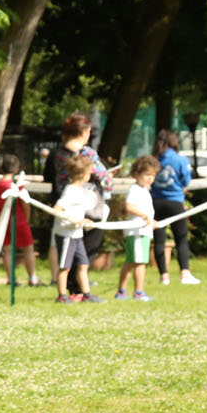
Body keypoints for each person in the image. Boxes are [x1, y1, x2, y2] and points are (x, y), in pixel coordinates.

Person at [41, 113, 110, 269]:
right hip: (88, 210)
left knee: (63, 249)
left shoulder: (55, 154)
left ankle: (64, 281)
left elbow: (48, 178)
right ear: (83, 132)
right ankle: (77, 283)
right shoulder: (88, 155)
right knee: (83, 255)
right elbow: (105, 179)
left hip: (64, 211)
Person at [51, 153, 104, 303]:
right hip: (66, 235)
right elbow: (57, 210)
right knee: (65, 267)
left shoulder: (80, 190)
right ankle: (62, 295)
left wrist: (83, 221)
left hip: (77, 234)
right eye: (89, 172)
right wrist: (74, 221)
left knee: (83, 264)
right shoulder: (70, 191)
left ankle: (86, 294)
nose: (90, 175)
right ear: (82, 174)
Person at [151, 128, 198, 285]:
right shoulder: (180, 159)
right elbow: (186, 181)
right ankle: (185, 273)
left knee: (159, 240)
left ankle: (163, 276)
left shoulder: (153, 159)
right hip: (175, 202)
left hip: (155, 203)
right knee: (181, 238)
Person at [0, 153, 38, 288]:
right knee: (28, 249)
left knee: (7, 251)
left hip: (4, 223)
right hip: (19, 220)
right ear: (17, 169)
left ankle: (11, 278)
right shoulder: (18, 186)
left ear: (1, 169)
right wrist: (27, 220)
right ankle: (32, 278)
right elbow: (26, 205)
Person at [116, 155, 161, 301]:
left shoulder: (145, 190)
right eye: (147, 174)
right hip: (137, 232)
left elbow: (146, 212)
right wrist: (144, 216)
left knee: (131, 262)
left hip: (143, 231)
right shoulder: (135, 189)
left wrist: (151, 221)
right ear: (136, 174)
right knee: (139, 262)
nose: (150, 178)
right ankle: (138, 292)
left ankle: (121, 292)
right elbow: (129, 207)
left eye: (153, 175)